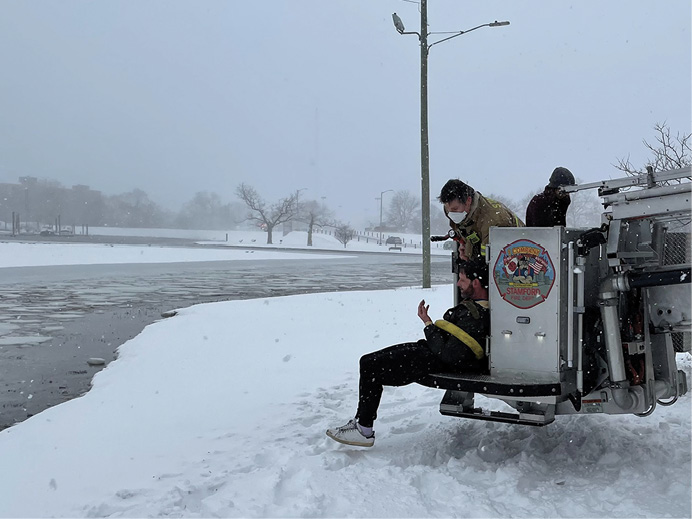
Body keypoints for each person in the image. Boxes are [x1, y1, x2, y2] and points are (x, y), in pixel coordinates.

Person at [326, 259, 490, 447]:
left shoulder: (475, 315)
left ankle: (363, 429)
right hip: (427, 352)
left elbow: (450, 355)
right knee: (368, 362)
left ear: (475, 283)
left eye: (462, 280)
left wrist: (428, 326)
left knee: (370, 365)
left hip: (431, 360)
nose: (458, 284)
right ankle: (362, 425)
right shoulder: (473, 309)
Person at [438, 179, 524, 262]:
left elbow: (496, 260)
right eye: (447, 209)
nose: (451, 214)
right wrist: (464, 245)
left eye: (455, 209)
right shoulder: (458, 211)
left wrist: (470, 270)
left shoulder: (495, 220)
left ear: (468, 201)